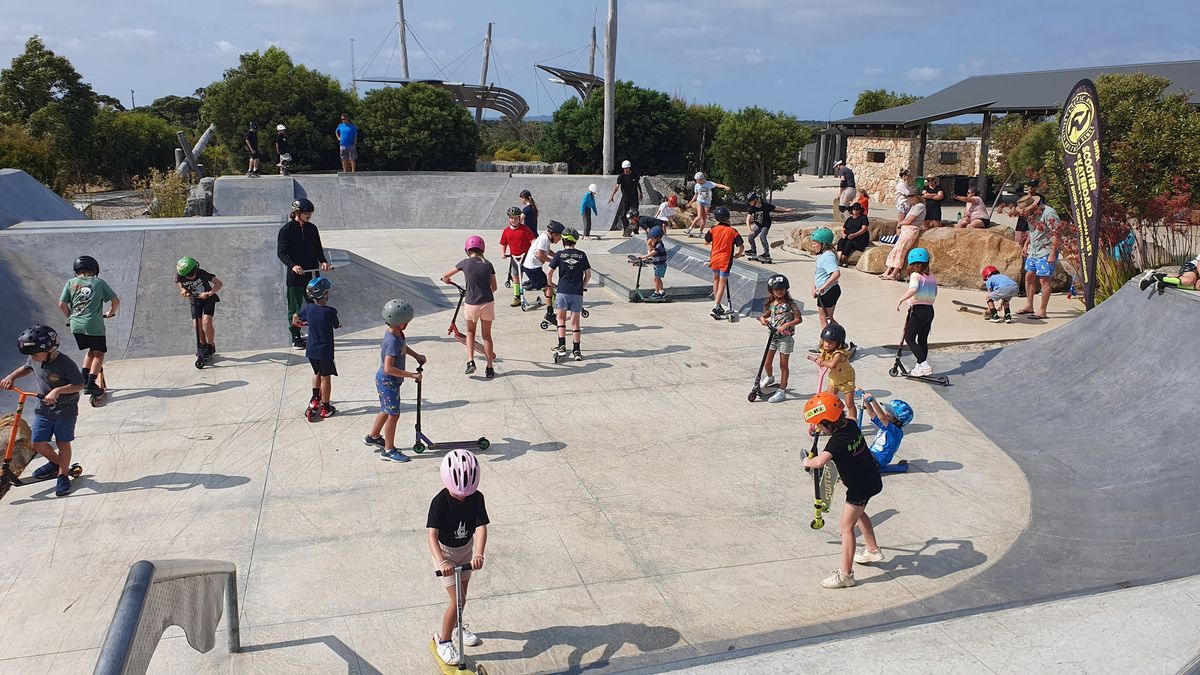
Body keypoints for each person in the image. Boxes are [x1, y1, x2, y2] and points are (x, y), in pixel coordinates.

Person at [802, 392, 884, 589]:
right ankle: (872, 550)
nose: (817, 428)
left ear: (827, 423)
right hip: (871, 479)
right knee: (860, 513)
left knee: (846, 528)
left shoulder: (836, 442)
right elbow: (840, 426)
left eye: (819, 424)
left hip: (859, 487)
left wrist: (807, 461)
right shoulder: (851, 424)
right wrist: (819, 429)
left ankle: (846, 576)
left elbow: (820, 461)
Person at [0, 325, 85, 496]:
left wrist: (58, 390)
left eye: (35, 355)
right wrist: (11, 376)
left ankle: (62, 475)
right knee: (37, 443)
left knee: (62, 442)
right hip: (44, 409)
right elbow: (26, 367)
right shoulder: (35, 358)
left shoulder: (65, 363)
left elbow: (80, 384)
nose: (32, 358)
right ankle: (56, 464)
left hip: (65, 411)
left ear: (50, 349)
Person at [427, 449, 489, 666]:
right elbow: (432, 535)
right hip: (445, 553)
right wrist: (441, 560)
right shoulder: (439, 502)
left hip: (466, 550)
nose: (463, 495)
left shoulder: (477, 498)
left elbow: (481, 527)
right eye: (457, 492)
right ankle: (443, 641)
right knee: (458, 600)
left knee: (464, 596)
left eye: (467, 492)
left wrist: (479, 553)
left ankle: (456, 628)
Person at [364, 299, 426, 462]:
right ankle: (389, 450)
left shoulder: (396, 333)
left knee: (385, 410)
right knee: (394, 414)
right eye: (407, 322)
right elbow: (388, 368)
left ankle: (374, 436)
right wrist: (412, 375)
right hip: (388, 382)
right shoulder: (391, 341)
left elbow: (403, 347)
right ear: (401, 323)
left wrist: (416, 355)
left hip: (388, 381)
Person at [58, 255, 119, 398]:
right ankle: (91, 384)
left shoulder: (70, 283)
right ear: (95, 269)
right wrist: (110, 312)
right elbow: (115, 301)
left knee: (91, 350)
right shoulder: (99, 282)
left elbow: (61, 304)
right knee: (99, 353)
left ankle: (84, 378)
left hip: (75, 324)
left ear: (76, 270)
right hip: (93, 323)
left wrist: (71, 317)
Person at [277, 198, 330, 349]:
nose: (309, 216)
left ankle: (315, 331)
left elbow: (318, 249)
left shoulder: (312, 228)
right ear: (297, 213)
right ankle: (295, 335)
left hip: (312, 275)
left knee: (314, 305)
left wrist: (323, 261)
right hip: (295, 277)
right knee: (295, 308)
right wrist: (293, 266)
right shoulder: (286, 230)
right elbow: (281, 253)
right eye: (306, 213)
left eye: (310, 214)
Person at [442, 236, 497, 378]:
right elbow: (494, 287)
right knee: (487, 335)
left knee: (471, 332)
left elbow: (446, 276)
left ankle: (470, 361)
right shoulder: (488, 264)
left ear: (467, 250)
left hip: (472, 303)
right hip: (488, 303)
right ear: (482, 249)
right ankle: (489, 367)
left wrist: (446, 280)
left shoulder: (465, 263)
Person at [293, 276, 341, 419]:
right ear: (325, 294)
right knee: (326, 378)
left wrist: (301, 324)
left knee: (316, 373)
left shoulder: (309, 308)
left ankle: (315, 400)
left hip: (311, 350)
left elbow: (295, 318)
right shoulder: (330, 311)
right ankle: (326, 407)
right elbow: (336, 325)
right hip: (325, 351)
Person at [547, 228, 591, 361]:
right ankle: (577, 350)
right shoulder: (582, 255)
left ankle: (561, 346)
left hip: (562, 291)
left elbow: (549, 272)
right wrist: (582, 286)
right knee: (575, 322)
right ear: (575, 241)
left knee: (560, 319)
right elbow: (588, 274)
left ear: (563, 240)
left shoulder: (559, 255)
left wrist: (551, 284)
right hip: (577, 293)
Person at [757, 274, 803, 403]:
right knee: (767, 362)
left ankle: (782, 391)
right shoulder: (773, 302)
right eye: (776, 289)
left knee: (783, 365)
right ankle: (770, 377)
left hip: (785, 339)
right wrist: (762, 319)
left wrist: (787, 324)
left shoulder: (790, 304)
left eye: (782, 289)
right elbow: (766, 315)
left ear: (786, 289)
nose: (779, 291)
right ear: (771, 290)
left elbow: (799, 319)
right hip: (773, 336)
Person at [895, 247, 937, 376]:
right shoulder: (932, 276)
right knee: (922, 339)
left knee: (910, 337)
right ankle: (919, 367)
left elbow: (913, 289)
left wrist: (901, 299)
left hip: (918, 311)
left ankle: (924, 364)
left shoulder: (915, 275)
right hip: (929, 310)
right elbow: (935, 292)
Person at [1017, 202, 1061, 319]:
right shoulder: (1031, 215)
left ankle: (1042, 310)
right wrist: (1026, 244)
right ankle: (1029, 305)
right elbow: (1032, 232)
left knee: (1044, 279)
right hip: (1034, 250)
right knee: (1029, 275)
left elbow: (1056, 233)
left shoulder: (1049, 213)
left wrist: (1052, 253)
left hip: (1046, 250)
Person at [175, 256, 224, 359]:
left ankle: (210, 346)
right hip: (195, 300)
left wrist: (209, 293)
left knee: (206, 322)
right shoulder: (179, 276)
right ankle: (203, 345)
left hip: (208, 299)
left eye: (193, 273)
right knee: (196, 325)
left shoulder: (202, 273)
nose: (192, 276)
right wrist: (183, 290)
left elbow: (219, 284)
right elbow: (179, 283)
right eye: (189, 275)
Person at [704, 206, 744, 317]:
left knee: (715, 280)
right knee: (722, 283)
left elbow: (706, 242)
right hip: (725, 261)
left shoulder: (712, 229)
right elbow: (741, 246)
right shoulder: (732, 231)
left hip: (714, 259)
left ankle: (718, 303)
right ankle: (716, 306)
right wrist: (738, 254)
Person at [859, 392, 913, 474]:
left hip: (876, 460)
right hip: (870, 455)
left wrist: (873, 401)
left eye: (889, 414)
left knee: (855, 464)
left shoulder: (896, 432)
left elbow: (882, 418)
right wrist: (865, 399)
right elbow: (872, 413)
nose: (885, 413)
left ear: (898, 421)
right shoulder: (885, 425)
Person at [812, 323, 857, 422]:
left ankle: (854, 422)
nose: (827, 344)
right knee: (829, 400)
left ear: (838, 344)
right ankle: (830, 420)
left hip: (846, 379)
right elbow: (822, 356)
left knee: (849, 403)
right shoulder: (825, 349)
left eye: (831, 342)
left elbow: (832, 365)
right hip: (834, 378)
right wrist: (819, 358)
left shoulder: (838, 354)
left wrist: (822, 362)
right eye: (826, 341)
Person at [522, 220, 564, 322]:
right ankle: (550, 313)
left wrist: (558, 257)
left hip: (534, 267)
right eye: (559, 238)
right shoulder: (544, 239)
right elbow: (539, 254)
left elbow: (547, 251)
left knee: (549, 286)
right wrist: (554, 262)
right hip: (532, 268)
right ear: (554, 234)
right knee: (549, 288)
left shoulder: (546, 238)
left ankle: (551, 308)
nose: (559, 240)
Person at [880, 192, 926, 281]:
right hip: (905, 229)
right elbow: (906, 220)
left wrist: (900, 223)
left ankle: (894, 273)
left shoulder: (920, 206)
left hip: (911, 230)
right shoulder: (914, 206)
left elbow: (909, 221)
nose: (910, 198)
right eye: (908, 196)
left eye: (912, 196)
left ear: (917, 196)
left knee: (901, 251)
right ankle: (888, 270)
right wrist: (902, 224)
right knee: (896, 249)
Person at [499, 206, 536, 307]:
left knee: (534, 275)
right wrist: (503, 253)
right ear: (509, 219)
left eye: (516, 218)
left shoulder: (525, 229)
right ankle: (517, 297)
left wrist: (532, 252)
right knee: (516, 277)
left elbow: (533, 241)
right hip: (515, 258)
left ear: (519, 218)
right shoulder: (506, 231)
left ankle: (546, 291)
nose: (513, 220)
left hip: (526, 257)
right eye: (511, 218)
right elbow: (503, 243)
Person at [746, 192, 792, 263]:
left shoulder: (765, 206)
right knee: (750, 236)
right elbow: (747, 219)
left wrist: (786, 210)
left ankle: (766, 253)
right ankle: (753, 250)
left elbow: (776, 207)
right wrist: (750, 229)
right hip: (758, 225)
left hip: (766, 225)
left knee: (762, 236)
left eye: (750, 201)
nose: (749, 203)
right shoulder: (752, 208)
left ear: (756, 200)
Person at [809, 228, 841, 331]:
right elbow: (818, 273)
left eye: (815, 243)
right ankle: (830, 341)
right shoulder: (823, 255)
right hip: (824, 291)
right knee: (826, 318)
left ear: (823, 244)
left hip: (829, 291)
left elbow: (836, 274)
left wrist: (823, 286)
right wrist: (814, 287)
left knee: (826, 319)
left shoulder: (828, 256)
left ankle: (832, 340)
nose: (813, 246)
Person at [687, 172, 730, 238]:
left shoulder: (709, 183)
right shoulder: (697, 185)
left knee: (704, 218)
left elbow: (717, 185)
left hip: (707, 203)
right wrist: (690, 202)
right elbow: (695, 195)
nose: (697, 182)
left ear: (702, 179)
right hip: (699, 201)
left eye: (698, 180)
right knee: (699, 215)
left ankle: (701, 231)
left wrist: (725, 187)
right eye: (696, 180)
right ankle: (689, 229)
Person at [631, 225, 669, 299]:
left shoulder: (659, 245)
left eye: (652, 239)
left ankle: (657, 293)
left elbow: (652, 253)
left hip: (660, 265)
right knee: (657, 278)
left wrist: (644, 257)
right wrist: (649, 242)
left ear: (658, 238)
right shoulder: (656, 243)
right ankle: (661, 291)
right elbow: (649, 244)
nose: (651, 240)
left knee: (657, 278)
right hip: (658, 265)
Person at [608, 159, 642, 232]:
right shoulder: (621, 176)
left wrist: (641, 193)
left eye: (626, 169)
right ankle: (626, 229)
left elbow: (638, 184)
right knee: (624, 215)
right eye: (624, 169)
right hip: (625, 197)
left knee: (635, 213)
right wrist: (612, 196)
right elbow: (617, 187)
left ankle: (636, 229)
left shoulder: (634, 175)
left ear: (629, 168)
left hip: (634, 197)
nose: (625, 170)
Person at [1013, 179, 1043, 248]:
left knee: (1032, 246)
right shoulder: (1023, 198)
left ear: (1036, 187)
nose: (1030, 188)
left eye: (1032, 186)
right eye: (1029, 186)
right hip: (1021, 226)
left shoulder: (1040, 198)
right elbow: (1017, 209)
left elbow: (1041, 209)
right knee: (1019, 246)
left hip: (1032, 226)